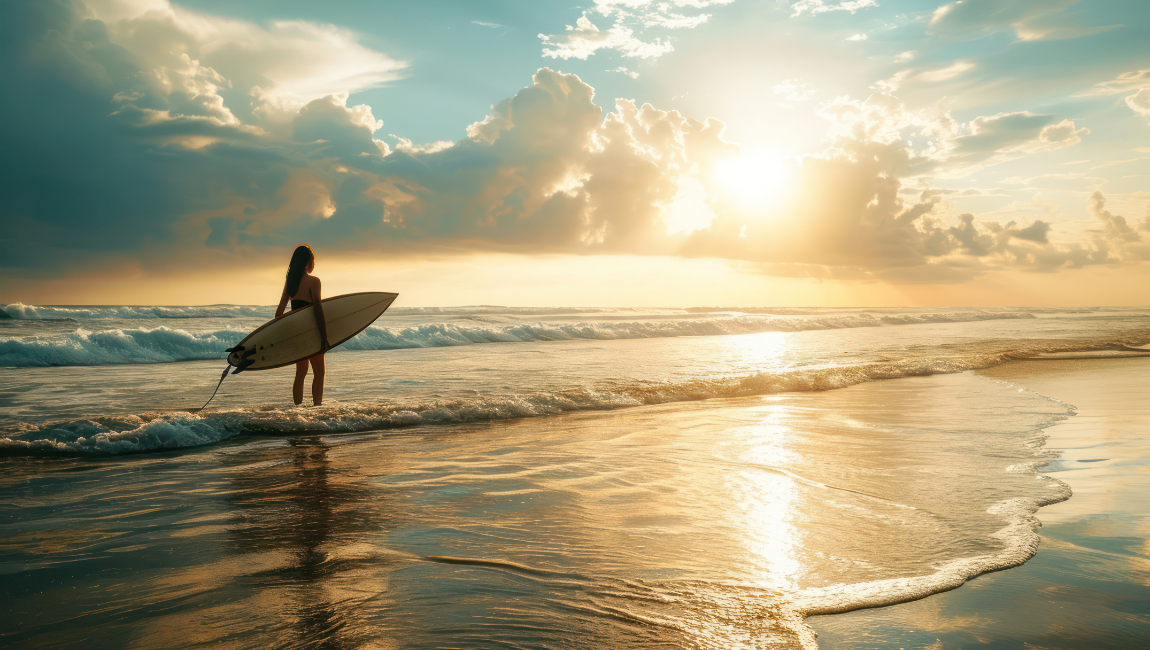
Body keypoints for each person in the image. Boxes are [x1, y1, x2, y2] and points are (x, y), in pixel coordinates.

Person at [275, 244, 331, 406]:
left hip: (298, 335)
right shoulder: (314, 281)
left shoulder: (290, 283)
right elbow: (318, 311)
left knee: (301, 373)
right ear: (308, 261)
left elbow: (279, 314)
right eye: (313, 260)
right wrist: (324, 337)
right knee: (319, 373)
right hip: (312, 333)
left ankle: (297, 410)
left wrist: (293, 327)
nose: (314, 264)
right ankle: (317, 409)